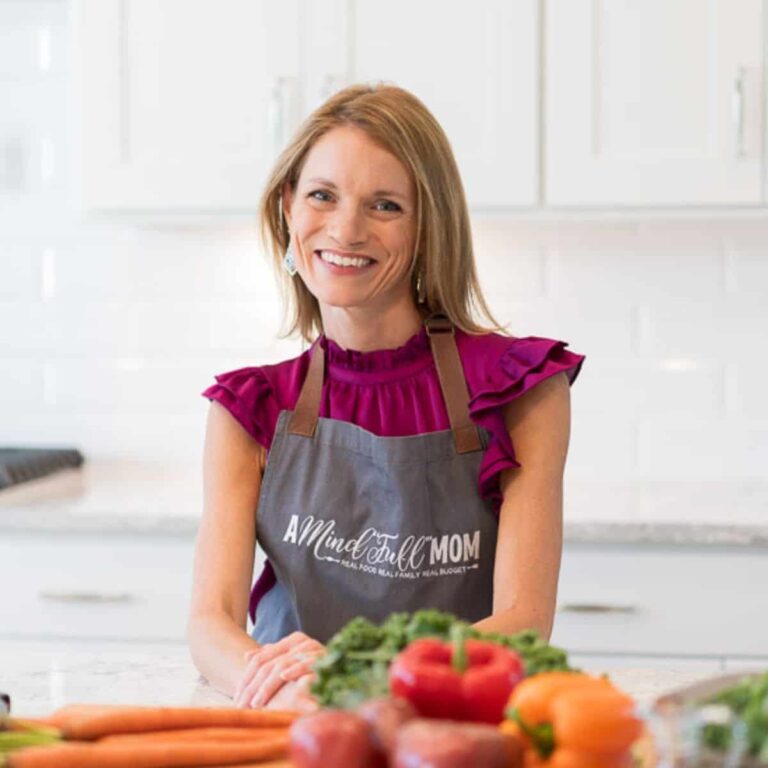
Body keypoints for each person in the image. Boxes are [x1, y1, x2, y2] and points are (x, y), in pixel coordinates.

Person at [187, 83, 585, 712]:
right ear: (289, 206)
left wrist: (354, 679)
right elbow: (211, 626)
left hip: (445, 726)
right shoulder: (250, 408)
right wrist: (288, 686)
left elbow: (523, 620)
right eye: (322, 195)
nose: (346, 228)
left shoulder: (519, 388)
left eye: (386, 205)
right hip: (291, 723)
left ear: (428, 227)